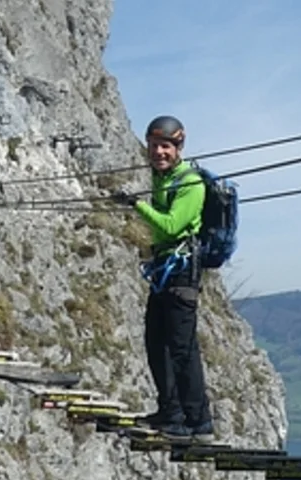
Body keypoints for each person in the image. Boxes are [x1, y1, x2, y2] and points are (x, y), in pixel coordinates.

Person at [111, 115, 214, 442]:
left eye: (165, 146)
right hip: (166, 267)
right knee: (157, 341)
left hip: (182, 270)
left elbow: (170, 226)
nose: (159, 152)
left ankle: (197, 422)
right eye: (154, 146)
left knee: (182, 347)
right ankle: (171, 412)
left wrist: (137, 206)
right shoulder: (160, 177)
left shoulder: (190, 183)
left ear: (178, 147)